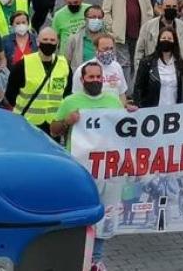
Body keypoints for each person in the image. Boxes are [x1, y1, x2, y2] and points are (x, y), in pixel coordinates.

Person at [51, 60, 124, 270]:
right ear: (82, 80)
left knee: (103, 212)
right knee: (81, 214)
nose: (95, 81)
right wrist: (67, 121)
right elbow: (54, 130)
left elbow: (124, 129)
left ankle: (95, 260)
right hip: (79, 170)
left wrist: (131, 114)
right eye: (90, 77)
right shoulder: (70, 101)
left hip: (106, 168)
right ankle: (76, 257)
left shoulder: (112, 101)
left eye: (98, 77)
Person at [5, 26, 71, 134]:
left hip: (53, 125)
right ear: (38, 42)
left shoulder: (64, 65)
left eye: (52, 40)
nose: (49, 43)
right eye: (45, 40)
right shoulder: (23, 64)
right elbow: (10, 95)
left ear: (57, 42)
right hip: (27, 123)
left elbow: (68, 94)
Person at [100, 0, 153, 75]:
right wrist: (111, 30)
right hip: (120, 36)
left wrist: (147, 28)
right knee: (123, 65)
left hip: (140, 34)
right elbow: (106, 12)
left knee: (139, 63)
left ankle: (136, 91)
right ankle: (126, 91)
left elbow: (149, 11)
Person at [132, 0, 183, 85]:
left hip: (178, 78)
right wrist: (140, 78)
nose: (171, 9)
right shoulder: (148, 27)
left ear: (177, 9)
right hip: (153, 79)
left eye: (174, 6)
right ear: (161, 7)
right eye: (168, 6)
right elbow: (139, 54)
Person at [132, 25, 183, 107]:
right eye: (163, 38)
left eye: (169, 39)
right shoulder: (147, 62)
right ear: (158, 41)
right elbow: (138, 88)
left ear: (175, 41)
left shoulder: (180, 63)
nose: (166, 40)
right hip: (154, 112)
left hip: (175, 111)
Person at [65, 6, 109, 70]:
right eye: (93, 17)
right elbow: (67, 62)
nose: (96, 20)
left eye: (99, 18)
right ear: (85, 19)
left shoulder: (108, 39)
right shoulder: (74, 39)